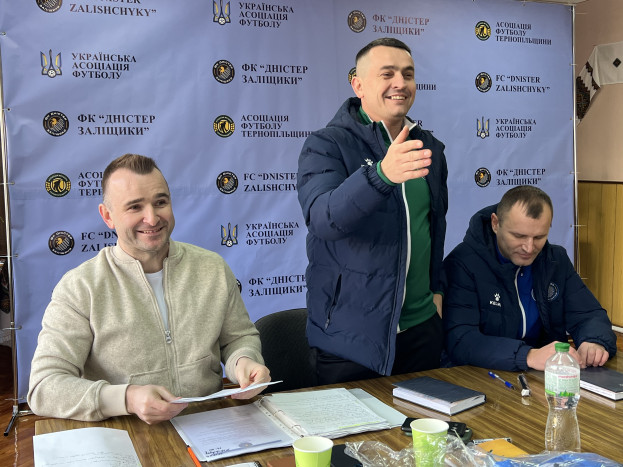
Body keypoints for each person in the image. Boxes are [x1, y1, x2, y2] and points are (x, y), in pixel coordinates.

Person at [28, 154, 270, 424]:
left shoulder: (213, 268)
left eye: (160, 202)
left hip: (210, 426)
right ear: (107, 216)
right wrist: (127, 399)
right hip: (125, 434)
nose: (152, 218)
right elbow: (44, 386)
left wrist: (244, 361)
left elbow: (238, 338)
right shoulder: (80, 287)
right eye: (135, 207)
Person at [297, 37, 448, 384]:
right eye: (387, 74)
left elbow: (433, 228)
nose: (400, 83)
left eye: (408, 74)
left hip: (421, 334)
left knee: (423, 422)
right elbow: (323, 218)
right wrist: (381, 175)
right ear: (358, 85)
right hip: (351, 341)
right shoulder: (326, 144)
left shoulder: (429, 148)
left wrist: (437, 292)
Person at [443, 185, 617, 371]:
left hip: (543, 374)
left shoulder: (555, 260)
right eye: (519, 236)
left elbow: (588, 314)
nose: (529, 247)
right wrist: (527, 356)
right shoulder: (462, 263)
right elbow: (461, 340)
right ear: (495, 223)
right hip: (479, 375)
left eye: (539, 237)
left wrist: (594, 341)